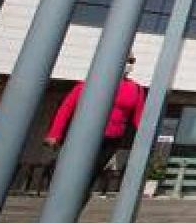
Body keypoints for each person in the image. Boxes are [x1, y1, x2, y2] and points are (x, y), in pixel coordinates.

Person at [44, 56, 146, 209]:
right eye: (126, 59)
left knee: (89, 179)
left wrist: (145, 141)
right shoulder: (91, 83)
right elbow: (66, 108)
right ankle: (55, 213)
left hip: (111, 140)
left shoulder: (136, 89)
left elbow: (140, 118)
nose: (128, 64)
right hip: (83, 137)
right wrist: (54, 134)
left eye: (132, 61)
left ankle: (72, 217)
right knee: (68, 176)